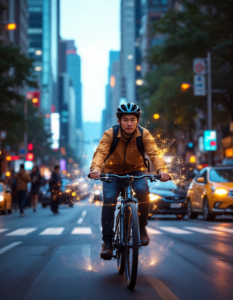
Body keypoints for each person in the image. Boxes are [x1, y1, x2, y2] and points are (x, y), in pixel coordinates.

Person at [89, 102, 170, 260]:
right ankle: (107, 242)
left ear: (137, 121)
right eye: (125, 120)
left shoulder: (144, 134)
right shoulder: (109, 135)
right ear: (119, 121)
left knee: (143, 191)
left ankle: (141, 228)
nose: (129, 123)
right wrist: (95, 169)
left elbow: (154, 153)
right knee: (110, 199)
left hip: (136, 171)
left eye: (132, 120)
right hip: (112, 172)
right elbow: (100, 152)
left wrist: (162, 171)